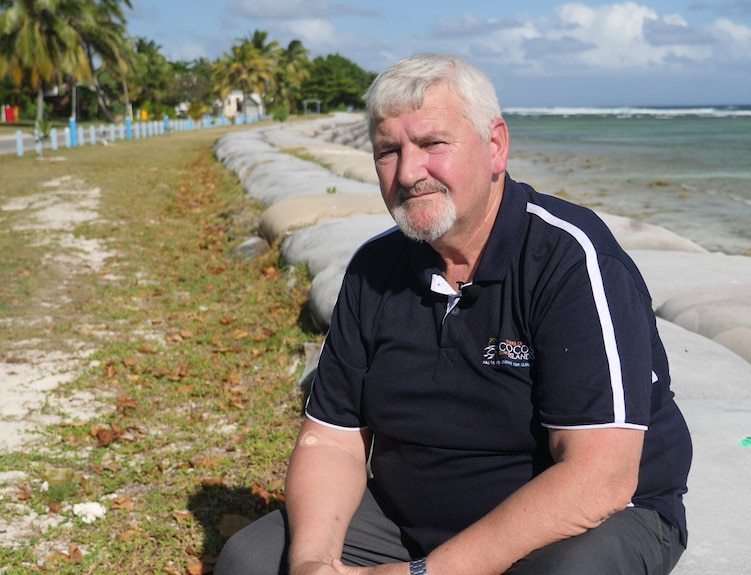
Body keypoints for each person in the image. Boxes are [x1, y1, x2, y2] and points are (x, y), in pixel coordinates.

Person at [215, 53, 692, 575]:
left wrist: (431, 572)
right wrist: (312, 562)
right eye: (388, 151)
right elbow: (331, 438)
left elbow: (601, 478)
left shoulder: (568, 259)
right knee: (253, 561)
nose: (409, 172)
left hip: (574, 521)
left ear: (495, 147)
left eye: (432, 144)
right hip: (409, 518)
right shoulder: (374, 270)